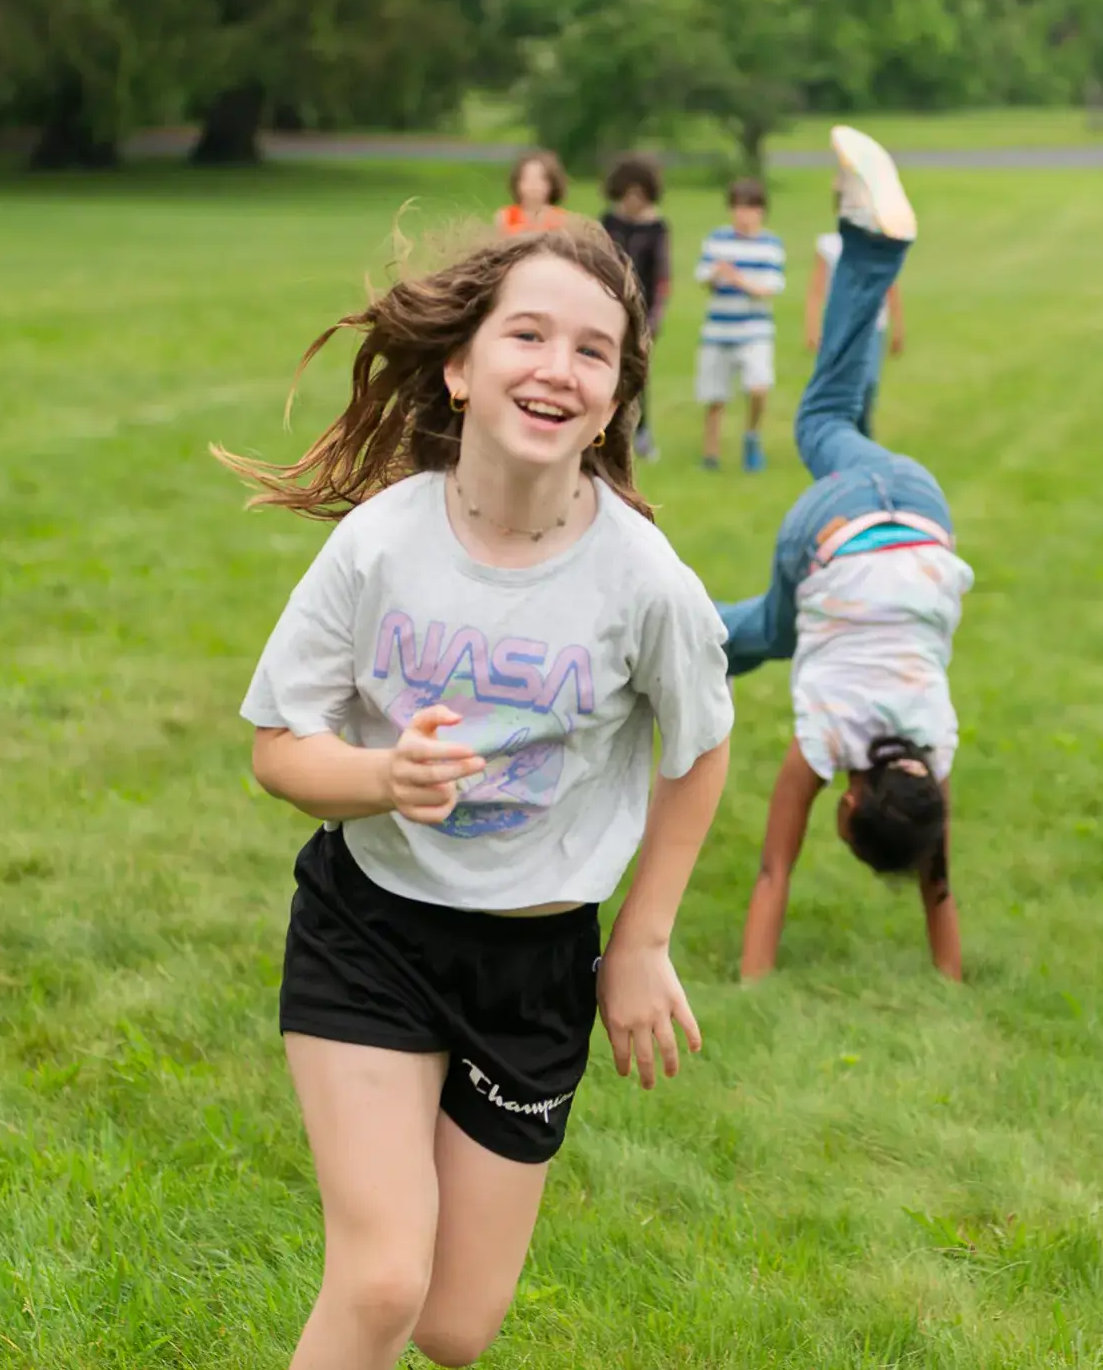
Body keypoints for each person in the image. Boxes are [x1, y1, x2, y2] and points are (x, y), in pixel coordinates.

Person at [216, 217, 733, 1370]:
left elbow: (700, 750)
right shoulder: (380, 544)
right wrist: (380, 777)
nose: (558, 365)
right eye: (529, 334)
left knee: (452, 1330)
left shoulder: (646, 583)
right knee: (384, 1277)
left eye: (593, 351)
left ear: (612, 402)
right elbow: (276, 745)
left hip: (534, 967)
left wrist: (640, 941)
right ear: (460, 365)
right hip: (373, 931)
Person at [719, 128, 966, 983]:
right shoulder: (826, 739)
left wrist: (952, 979)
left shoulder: (937, 754)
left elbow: (940, 889)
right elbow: (771, 871)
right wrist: (750, 986)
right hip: (839, 541)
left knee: (835, 423)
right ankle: (649, 637)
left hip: (922, 512)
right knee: (754, 630)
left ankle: (870, 244)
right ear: (852, 800)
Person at [693, 179, 786, 472]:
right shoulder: (717, 239)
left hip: (755, 331)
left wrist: (737, 279)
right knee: (714, 396)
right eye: (737, 208)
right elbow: (702, 276)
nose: (742, 214)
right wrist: (715, 274)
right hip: (718, 330)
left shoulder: (770, 245)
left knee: (758, 387)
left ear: (760, 211)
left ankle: (752, 436)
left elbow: (769, 288)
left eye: (749, 208)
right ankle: (711, 454)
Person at [807, 195, 905, 438]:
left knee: (868, 381)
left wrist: (898, 326)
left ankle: (861, 429)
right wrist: (812, 327)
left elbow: (891, 287)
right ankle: (842, 431)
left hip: (872, 324)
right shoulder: (829, 245)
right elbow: (817, 289)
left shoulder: (878, 243)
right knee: (839, 382)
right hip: (839, 325)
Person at [600, 154, 671, 462]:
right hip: (606, 305)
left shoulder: (656, 228)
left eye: (639, 195)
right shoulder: (609, 222)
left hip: (641, 311)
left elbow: (661, 275)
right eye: (628, 194)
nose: (633, 201)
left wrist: (656, 315)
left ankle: (642, 431)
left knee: (637, 375)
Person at [496, 148, 571, 236]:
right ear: (517, 182)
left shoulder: (561, 219)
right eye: (527, 179)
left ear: (552, 183)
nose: (533, 185)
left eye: (540, 179)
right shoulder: (505, 217)